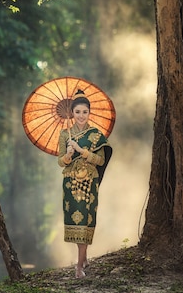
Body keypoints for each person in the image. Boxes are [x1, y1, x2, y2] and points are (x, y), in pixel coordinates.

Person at [57, 90, 112, 278]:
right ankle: (83, 258)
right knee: (76, 220)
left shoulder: (96, 135)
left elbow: (101, 160)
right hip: (70, 183)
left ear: (89, 113)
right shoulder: (65, 134)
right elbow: (59, 162)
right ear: (72, 113)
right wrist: (68, 155)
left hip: (89, 183)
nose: (81, 115)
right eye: (78, 112)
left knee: (86, 221)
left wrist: (82, 150)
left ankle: (79, 266)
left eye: (85, 112)